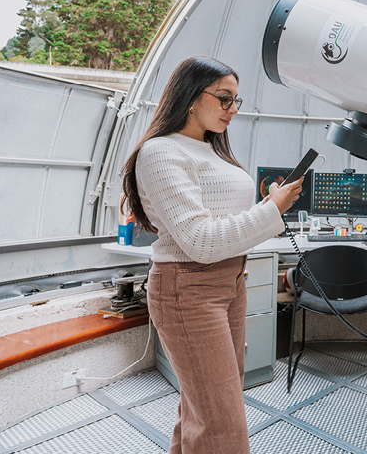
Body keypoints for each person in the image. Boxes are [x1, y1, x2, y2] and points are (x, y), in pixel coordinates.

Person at [121, 56, 303, 454]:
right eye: (224, 99)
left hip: (230, 281)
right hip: (188, 287)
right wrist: (271, 210)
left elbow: (225, 222)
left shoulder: (210, 149)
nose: (233, 110)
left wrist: (267, 207)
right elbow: (200, 241)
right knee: (222, 423)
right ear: (189, 96)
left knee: (203, 407)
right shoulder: (160, 152)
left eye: (236, 101)